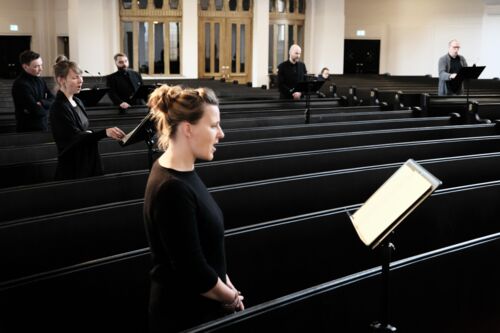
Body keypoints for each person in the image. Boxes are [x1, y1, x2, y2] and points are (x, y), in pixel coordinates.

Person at [143, 85, 244, 332]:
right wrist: (231, 298)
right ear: (188, 129)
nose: (221, 134)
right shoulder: (171, 188)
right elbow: (193, 269)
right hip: (184, 315)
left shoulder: (180, 171)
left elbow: (206, 246)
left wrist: (226, 283)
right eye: (213, 125)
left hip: (204, 303)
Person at [49, 58, 125, 180]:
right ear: (61, 80)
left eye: (80, 76)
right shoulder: (58, 107)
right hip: (72, 165)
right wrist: (104, 132)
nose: (80, 81)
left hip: (87, 159)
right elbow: (75, 137)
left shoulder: (77, 101)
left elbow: (84, 131)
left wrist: (93, 133)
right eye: (74, 78)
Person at [11, 50, 54, 132]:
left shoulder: (41, 80)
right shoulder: (20, 84)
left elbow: (53, 99)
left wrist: (41, 103)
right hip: (28, 130)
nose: (41, 69)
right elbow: (37, 111)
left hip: (43, 126)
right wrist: (47, 105)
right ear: (25, 67)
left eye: (41, 65)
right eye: (36, 66)